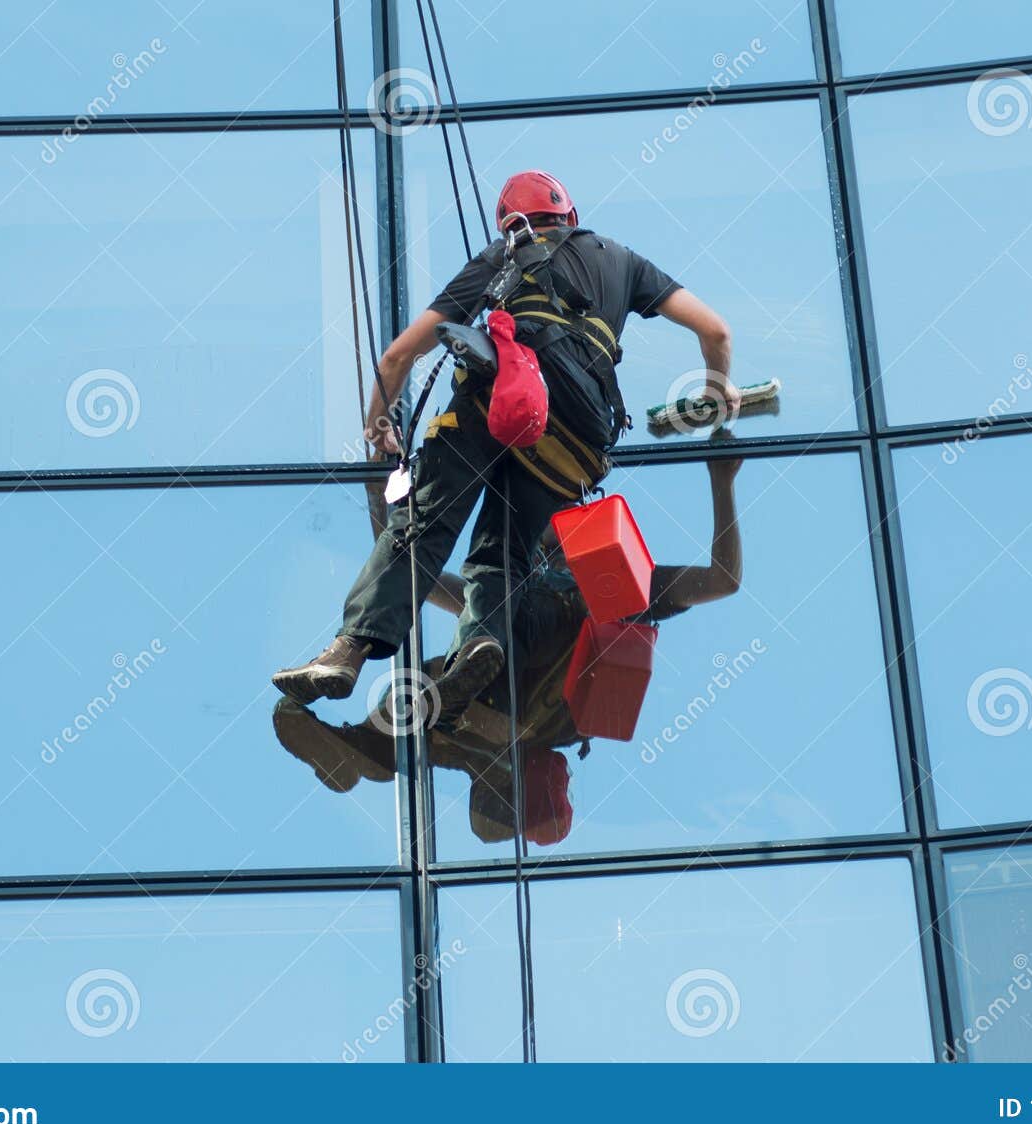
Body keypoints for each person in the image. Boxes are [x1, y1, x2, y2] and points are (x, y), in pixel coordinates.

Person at [272, 170, 737, 718]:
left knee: (424, 526)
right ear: (571, 217)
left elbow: (398, 357)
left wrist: (379, 430)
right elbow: (716, 332)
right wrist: (717, 388)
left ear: (514, 223)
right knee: (502, 555)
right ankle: (478, 643)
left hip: (502, 407)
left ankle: (349, 649)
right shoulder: (624, 261)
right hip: (578, 443)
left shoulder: (503, 257)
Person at [272, 454, 745, 848]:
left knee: (465, 646)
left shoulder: (619, 586)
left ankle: (377, 749)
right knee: (435, 682)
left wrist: (721, 481)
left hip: (521, 703)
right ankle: (363, 751)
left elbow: (723, 579)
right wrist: (382, 493)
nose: (551, 518)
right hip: (498, 708)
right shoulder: (502, 586)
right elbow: (413, 571)